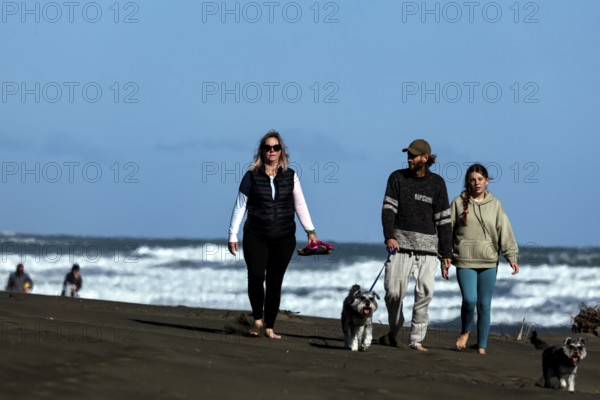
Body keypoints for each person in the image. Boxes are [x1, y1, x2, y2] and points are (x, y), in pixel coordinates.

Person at [228, 130, 318, 339]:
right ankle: (257, 321)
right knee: (256, 276)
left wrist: (310, 231)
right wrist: (232, 234)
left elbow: (299, 204)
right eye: (267, 147)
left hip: (284, 237)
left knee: (275, 281)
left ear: (281, 151)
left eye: (275, 147)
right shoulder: (251, 176)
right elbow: (240, 206)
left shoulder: (290, 175)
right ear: (262, 151)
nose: (272, 151)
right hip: (256, 235)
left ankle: (269, 327)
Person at [380, 139, 452, 351]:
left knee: (425, 294)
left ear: (425, 158)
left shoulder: (437, 183)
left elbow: (444, 220)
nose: (409, 158)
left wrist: (446, 253)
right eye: (408, 155)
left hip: (428, 250)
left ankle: (416, 339)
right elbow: (388, 210)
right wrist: (389, 236)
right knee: (393, 293)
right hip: (400, 247)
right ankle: (395, 327)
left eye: (414, 155)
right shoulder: (397, 178)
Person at [442, 163, 519, 355]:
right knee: (469, 300)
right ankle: (465, 332)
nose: (476, 183)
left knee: (484, 304)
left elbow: (505, 231)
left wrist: (511, 256)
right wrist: (445, 256)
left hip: (488, 262)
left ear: (487, 181)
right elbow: (447, 231)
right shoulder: (458, 203)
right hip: (465, 260)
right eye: (472, 179)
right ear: (467, 182)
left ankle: (482, 346)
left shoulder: (495, 205)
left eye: (480, 179)